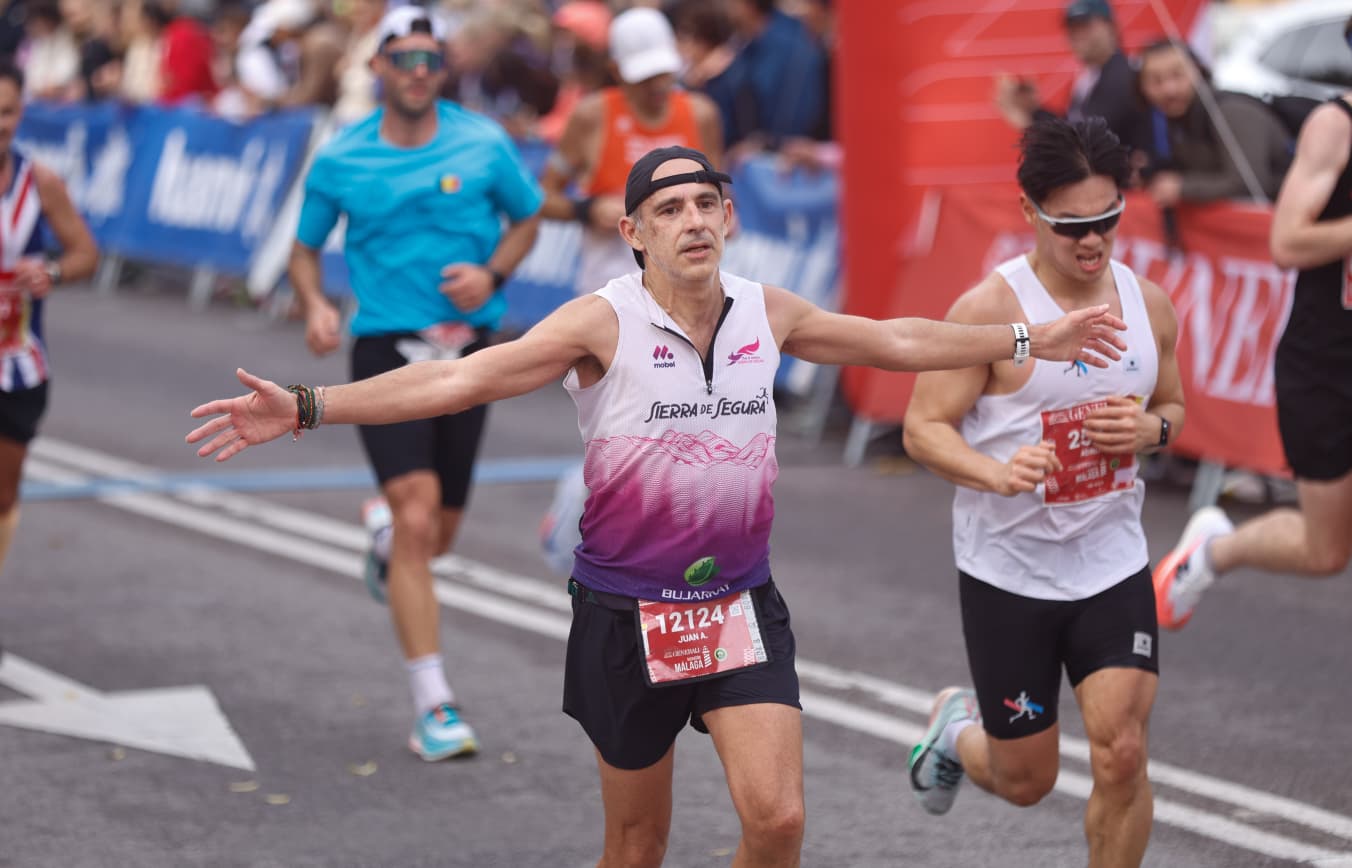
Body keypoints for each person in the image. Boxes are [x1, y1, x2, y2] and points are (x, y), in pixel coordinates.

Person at [189, 143, 1128, 865]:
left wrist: (1024, 337)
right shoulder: (601, 323)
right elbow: (456, 382)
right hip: (623, 617)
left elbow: (892, 340)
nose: (693, 221)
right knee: (638, 848)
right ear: (634, 232)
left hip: (739, 610)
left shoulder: (770, 313)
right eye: (668, 208)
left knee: (781, 820)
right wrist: (310, 407)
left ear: (728, 217)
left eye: (706, 204)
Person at [902, 117, 1185, 868]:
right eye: (1072, 227)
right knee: (1027, 780)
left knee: (1122, 751)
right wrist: (996, 473)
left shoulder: (1148, 305)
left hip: (1110, 560)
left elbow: (1175, 410)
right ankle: (956, 732)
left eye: (1107, 220)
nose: (1093, 242)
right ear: (1029, 213)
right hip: (1010, 572)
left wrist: (1148, 434)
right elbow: (924, 427)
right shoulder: (990, 312)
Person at [285, 6, 543, 762]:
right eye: (404, 59)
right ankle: (434, 704)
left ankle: (386, 532)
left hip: (468, 356)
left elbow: (527, 219)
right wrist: (314, 302)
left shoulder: (483, 141)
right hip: (386, 348)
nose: (420, 72)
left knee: (439, 533)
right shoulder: (343, 158)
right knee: (420, 514)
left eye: (431, 59)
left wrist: (493, 270)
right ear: (380, 68)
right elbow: (304, 250)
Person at [1153, 19, 1352, 630]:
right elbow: (1286, 241)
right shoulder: (1335, 127)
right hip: (1329, 363)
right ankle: (1212, 552)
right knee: (1325, 552)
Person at [540, 6, 723, 296]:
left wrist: (722, 218)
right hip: (610, 291)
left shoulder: (701, 115)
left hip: (690, 291)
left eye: (663, 73)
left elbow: (722, 198)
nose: (657, 85)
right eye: (644, 76)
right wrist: (587, 209)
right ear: (616, 70)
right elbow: (541, 198)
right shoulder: (592, 116)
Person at [0, 60, 98, 578]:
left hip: (18, 364)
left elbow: (86, 254)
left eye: (8, 112)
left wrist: (53, 273)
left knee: (4, 493)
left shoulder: (38, 182)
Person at [1136, 38, 1291, 209]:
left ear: (1198, 71)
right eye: (1156, 80)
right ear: (1142, 87)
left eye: (1178, 75)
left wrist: (1182, 188)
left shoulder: (1232, 111)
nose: (1169, 89)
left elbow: (1251, 183)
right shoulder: (1173, 120)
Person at [994, 0, 1145, 153]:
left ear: (1111, 27)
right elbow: (1075, 125)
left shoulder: (1124, 75)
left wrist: (1031, 121)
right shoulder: (1090, 77)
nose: (1077, 34)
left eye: (1085, 25)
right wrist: (1034, 111)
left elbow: (1085, 139)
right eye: (1071, 28)